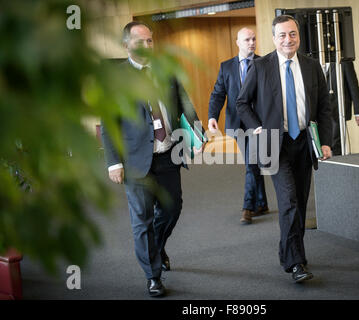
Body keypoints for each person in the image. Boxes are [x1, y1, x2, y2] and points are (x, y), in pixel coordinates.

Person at [101, 21, 203, 297]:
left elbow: (184, 104)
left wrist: (198, 133)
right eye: (140, 42)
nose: (147, 46)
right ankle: (153, 275)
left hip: (168, 154)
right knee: (142, 219)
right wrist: (114, 162)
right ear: (126, 45)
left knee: (172, 208)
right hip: (135, 160)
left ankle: (155, 248)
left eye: (150, 41)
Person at [236, 15, 332, 283]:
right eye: (282, 35)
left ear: (298, 36)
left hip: (304, 142)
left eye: (292, 34)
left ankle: (288, 252)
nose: (288, 40)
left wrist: (325, 141)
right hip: (275, 145)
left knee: (299, 203)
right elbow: (242, 103)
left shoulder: (313, 67)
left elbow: (324, 107)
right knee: (288, 201)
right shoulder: (261, 66)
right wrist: (256, 127)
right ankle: (296, 263)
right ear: (274, 38)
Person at [208, 27, 269, 225]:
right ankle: (261, 202)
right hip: (237, 123)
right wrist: (212, 116)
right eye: (246, 40)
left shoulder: (264, 63)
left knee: (251, 163)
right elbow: (218, 94)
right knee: (252, 164)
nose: (251, 43)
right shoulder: (226, 67)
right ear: (237, 42)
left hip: (257, 124)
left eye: (253, 39)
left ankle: (247, 207)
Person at [326, 60, 359, 155]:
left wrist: (358, 112)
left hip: (338, 111)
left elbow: (354, 87)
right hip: (321, 113)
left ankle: (337, 166)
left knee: (335, 143)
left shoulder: (344, 63)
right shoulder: (315, 62)